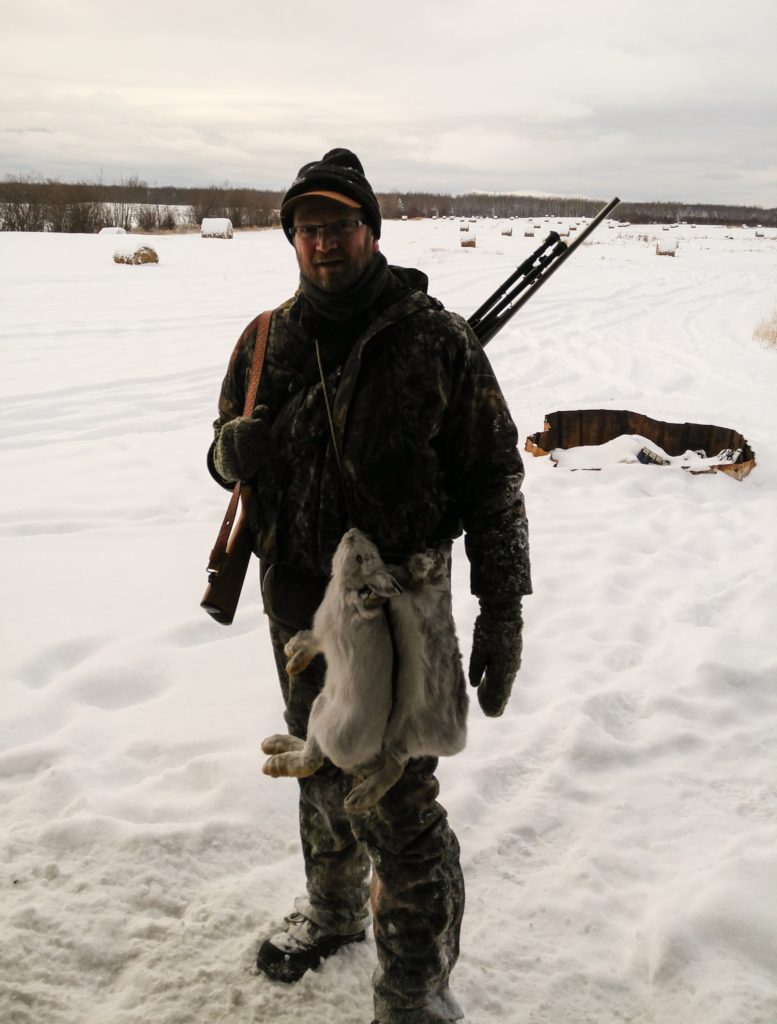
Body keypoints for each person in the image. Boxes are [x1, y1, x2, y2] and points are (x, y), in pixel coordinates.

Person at [208, 148, 531, 1024]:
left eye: (338, 225)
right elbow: (219, 449)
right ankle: (334, 914)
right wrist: (226, 451)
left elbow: (495, 485)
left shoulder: (435, 338)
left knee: (398, 809)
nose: (322, 244)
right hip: (297, 607)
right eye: (306, 229)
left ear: (370, 230)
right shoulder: (266, 337)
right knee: (318, 771)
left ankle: (414, 995)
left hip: (400, 613)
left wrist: (502, 613)